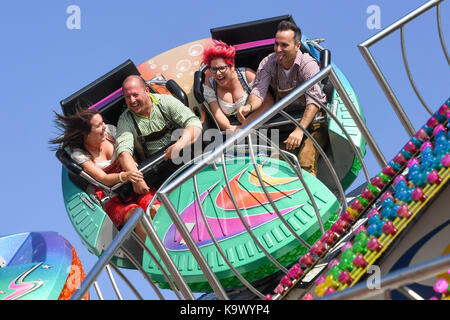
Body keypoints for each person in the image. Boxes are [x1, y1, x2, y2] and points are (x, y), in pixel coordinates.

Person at [50, 109, 159, 241]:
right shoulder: (80, 154)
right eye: (98, 126)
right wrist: (125, 176)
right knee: (136, 216)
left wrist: (132, 168)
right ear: (86, 133)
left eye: (103, 122)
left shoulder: (110, 132)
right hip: (112, 194)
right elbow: (103, 178)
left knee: (154, 208)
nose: (104, 127)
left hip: (131, 183)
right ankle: (156, 252)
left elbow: (126, 152)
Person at [236, 20, 328, 177]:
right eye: (276, 44)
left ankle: (312, 200)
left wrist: (300, 130)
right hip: (285, 123)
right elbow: (258, 91)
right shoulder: (269, 63)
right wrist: (249, 107)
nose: (278, 49)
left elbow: (314, 101)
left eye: (284, 45)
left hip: (313, 123)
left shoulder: (307, 65)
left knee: (305, 161)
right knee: (275, 164)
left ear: (297, 46)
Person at [116, 75, 202, 195]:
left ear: (146, 90)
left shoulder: (166, 101)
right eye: (127, 97)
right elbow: (123, 152)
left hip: (189, 160)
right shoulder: (125, 120)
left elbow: (194, 124)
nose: (132, 101)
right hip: (161, 176)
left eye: (135, 95)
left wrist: (179, 145)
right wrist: (137, 179)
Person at [202, 40, 274, 132]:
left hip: (259, 126)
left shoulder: (247, 75)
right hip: (231, 133)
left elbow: (269, 102)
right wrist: (231, 129)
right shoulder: (210, 84)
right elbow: (218, 114)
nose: (218, 73)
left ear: (232, 66)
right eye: (214, 69)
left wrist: (247, 123)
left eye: (222, 68)